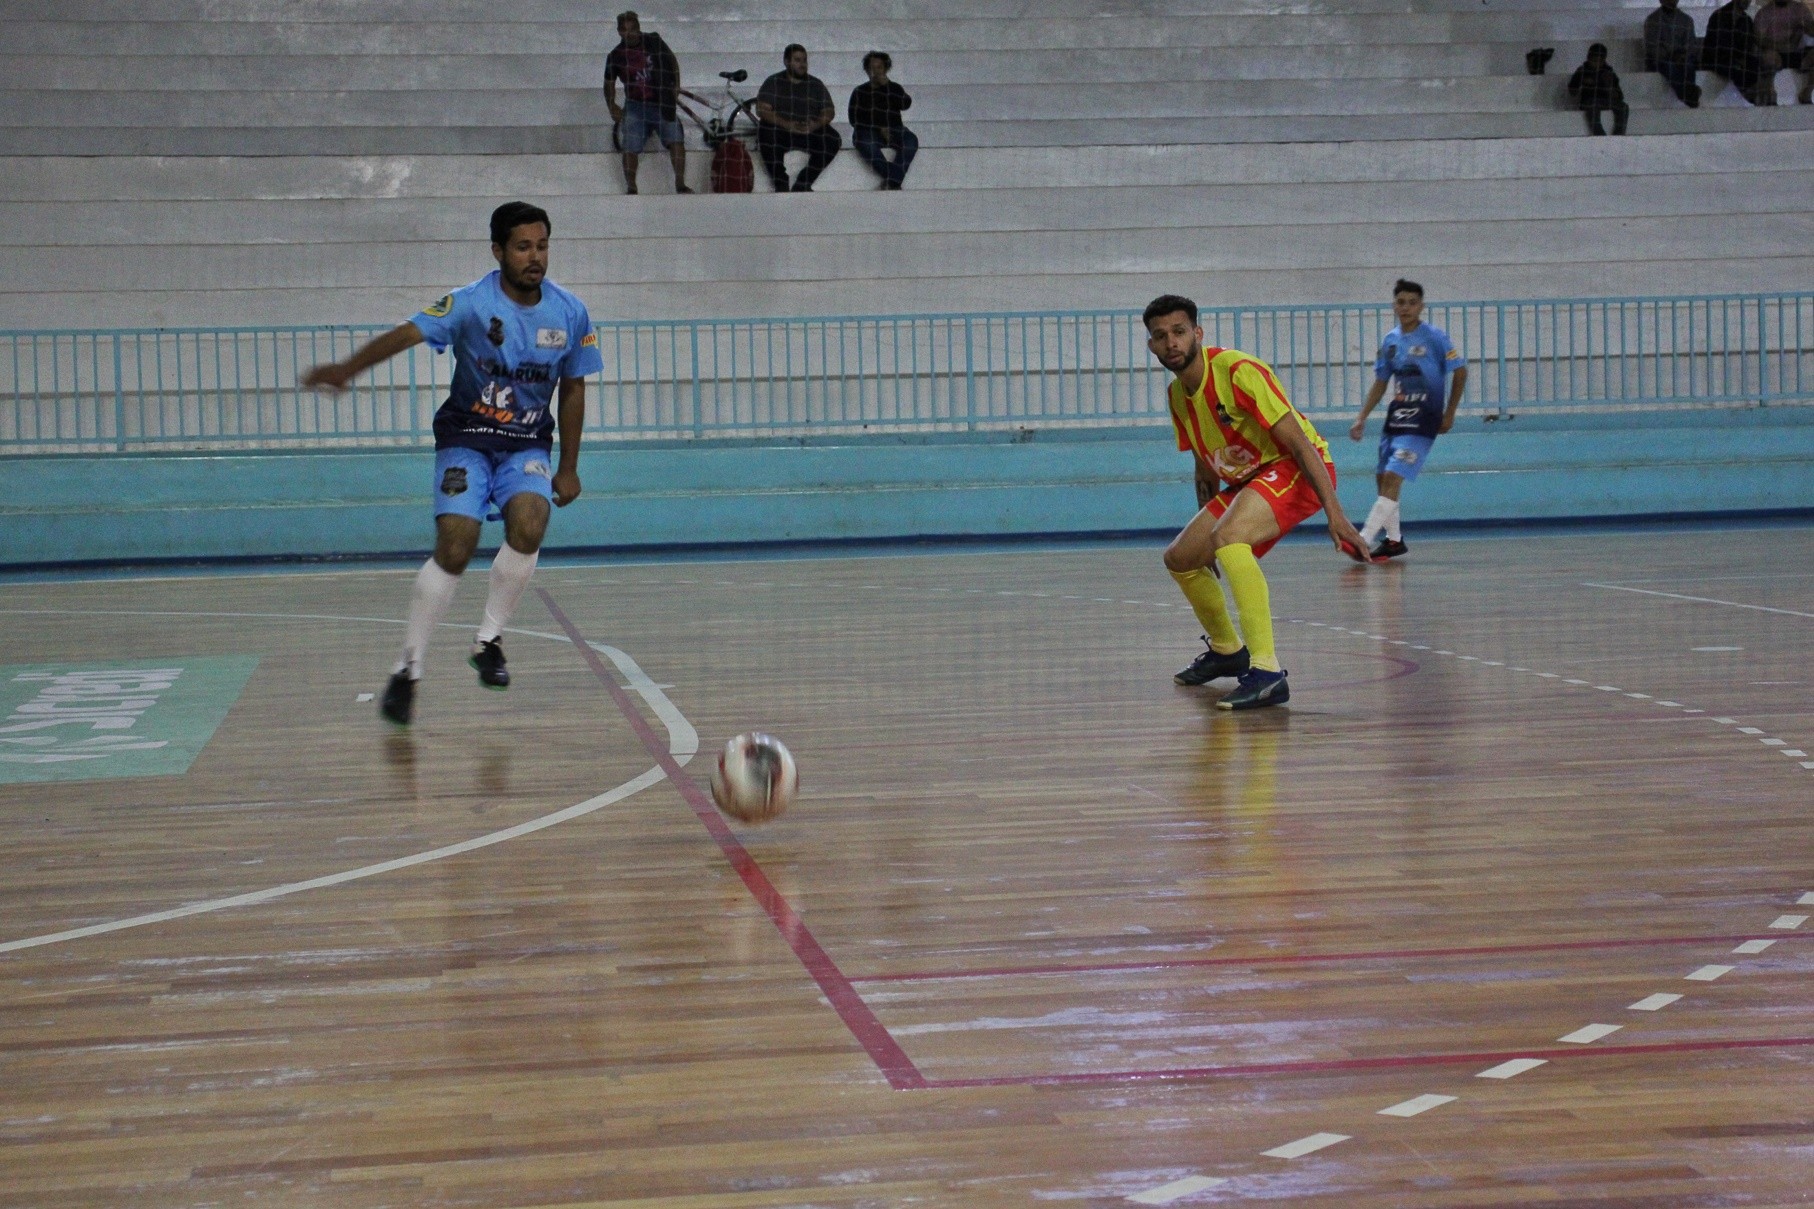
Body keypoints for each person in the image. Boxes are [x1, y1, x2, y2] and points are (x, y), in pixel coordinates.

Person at [302, 202, 604, 725]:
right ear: (498, 251)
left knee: (531, 522)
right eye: (523, 247)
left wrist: (569, 466)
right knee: (457, 543)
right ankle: (408, 669)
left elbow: (573, 388)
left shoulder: (570, 312)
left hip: (526, 445)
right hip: (467, 437)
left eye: (542, 245)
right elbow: (408, 332)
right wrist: (347, 368)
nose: (535, 257)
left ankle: (488, 641)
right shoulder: (469, 303)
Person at [1144, 294, 1370, 711]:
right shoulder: (1177, 396)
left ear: (1197, 333)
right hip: (1246, 479)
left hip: (1295, 468)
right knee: (1180, 558)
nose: (1171, 342)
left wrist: (1335, 513)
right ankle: (1228, 651)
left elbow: (1300, 445)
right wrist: (1205, 529)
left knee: (1229, 537)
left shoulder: (1238, 371)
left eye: (1179, 332)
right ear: (1152, 346)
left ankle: (1267, 673)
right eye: (1161, 336)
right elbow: (1205, 467)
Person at [1349, 280, 1468, 560]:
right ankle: (1394, 540)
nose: (1406, 308)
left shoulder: (1435, 337)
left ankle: (1362, 539)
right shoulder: (1390, 341)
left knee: (1393, 476)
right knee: (1382, 478)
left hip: (1425, 419)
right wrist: (1362, 417)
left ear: (1421, 306)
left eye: (1412, 303)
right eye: (1401, 302)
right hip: (1398, 416)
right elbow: (1381, 381)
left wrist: (1449, 412)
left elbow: (1460, 371)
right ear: (1394, 306)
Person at [603, 11, 690, 195]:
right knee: (630, 146)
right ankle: (631, 186)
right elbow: (609, 83)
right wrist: (611, 105)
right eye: (625, 30)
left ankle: (680, 183)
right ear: (619, 32)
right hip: (636, 105)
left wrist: (676, 85)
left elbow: (671, 60)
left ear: (639, 27)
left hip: (661, 101)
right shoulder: (615, 56)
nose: (630, 34)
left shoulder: (653, 41)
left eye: (633, 29)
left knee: (676, 139)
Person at [756, 44, 842, 193]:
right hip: (782, 130)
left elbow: (829, 111)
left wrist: (815, 124)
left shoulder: (815, 84)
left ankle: (803, 183)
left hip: (809, 131)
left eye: (804, 60)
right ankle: (781, 183)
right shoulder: (773, 81)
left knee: (832, 139)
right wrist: (787, 124)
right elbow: (762, 110)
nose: (802, 64)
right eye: (797, 60)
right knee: (765, 131)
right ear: (786, 62)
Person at [848, 51, 917, 190]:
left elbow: (905, 103)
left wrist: (888, 86)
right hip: (869, 132)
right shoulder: (860, 91)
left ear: (885, 69)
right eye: (871, 68)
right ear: (866, 70)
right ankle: (894, 180)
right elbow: (854, 119)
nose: (875, 72)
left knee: (911, 141)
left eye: (879, 67)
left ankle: (891, 181)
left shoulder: (894, 88)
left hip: (895, 130)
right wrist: (879, 128)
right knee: (864, 142)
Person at [1705, 0, 1770, 103]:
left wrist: (1743, 58)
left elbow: (1748, 45)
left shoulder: (1746, 20)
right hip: (1717, 59)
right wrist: (1738, 59)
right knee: (1737, 69)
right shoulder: (1719, 16)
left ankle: (1757, 93)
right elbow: (1718, 45)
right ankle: (1750, 94)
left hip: (1737, 59)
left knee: (1756, 64)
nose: (1747, 2)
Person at [1644, 0, 1703, 106]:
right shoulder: (1653, 20)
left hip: (1682, 58)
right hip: (1661, 60)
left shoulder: (1686, 20)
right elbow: (1652, 47)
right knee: (1669, 67)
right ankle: (1688, 95)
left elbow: (1691, 44)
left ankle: (1688, 94)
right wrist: (1670, 56)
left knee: (1688, 65)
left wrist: (1683, 56)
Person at [1755, 0, 1814, 104]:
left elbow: (1811, 32)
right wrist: (1781, 46)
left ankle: (1807, 93)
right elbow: (1759, 39)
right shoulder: (1765, 13)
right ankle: (1770, 94)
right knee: (1768, 57)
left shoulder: (1800, 9)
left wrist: (1805, 27)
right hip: (1776, 52)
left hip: (1798, 52)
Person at [1566, 43, 1630, 134]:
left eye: (1600, 61)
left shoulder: (1608, 72)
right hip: (1589, 101)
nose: (1597, 64)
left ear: (1604, 60)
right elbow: (1572, 91)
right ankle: (1599, 133)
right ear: (1588, 59)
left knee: (1623, 107)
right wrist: (1582, 81)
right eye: (1594, 60)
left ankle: (1619, 134)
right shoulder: (1582, 71)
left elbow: (1619, 96)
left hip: (1606, 101)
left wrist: (1610, 87)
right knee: (1592, 105)